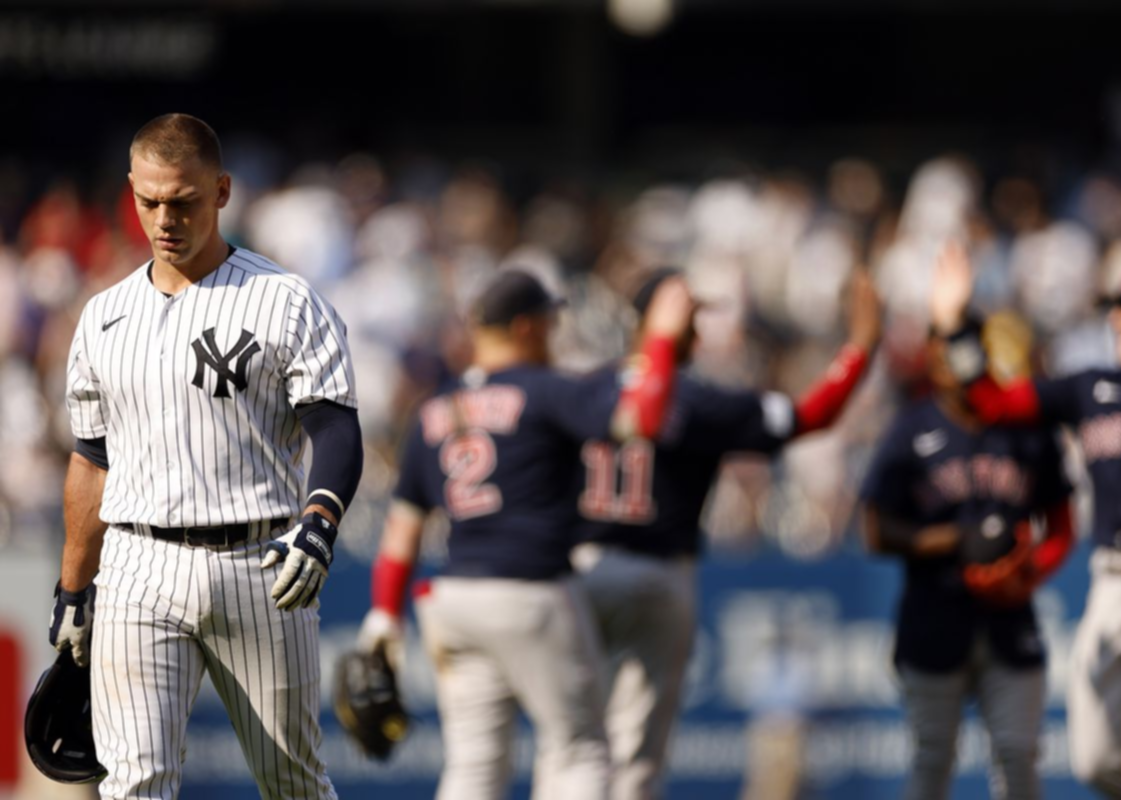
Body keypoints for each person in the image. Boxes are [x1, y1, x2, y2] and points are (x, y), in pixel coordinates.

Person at [48, 113, 362, 800]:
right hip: (137, 566)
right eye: (149, 200)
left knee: (292, 784)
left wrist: (321, 520)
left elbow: (335, 429)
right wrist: (74, 588)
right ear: (131, 190)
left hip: (262, 563)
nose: (164, 218)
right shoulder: (102, 316)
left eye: (183, 200)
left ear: (221, 192)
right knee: (134, 783)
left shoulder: (283, 300)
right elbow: (91, 459)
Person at [357, 269, 696, 800]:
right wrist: (662, 338)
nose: (552, 332)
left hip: (455, 600)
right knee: (580, 748)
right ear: (524, 327)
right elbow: (642, 421)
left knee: (473, 767)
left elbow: (402, 532)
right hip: (531, 589)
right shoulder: (544, 390)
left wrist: (383, 617)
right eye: (548, 321)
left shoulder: (435, 408)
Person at [570, 267, 882, 800]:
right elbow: (811, 416)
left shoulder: (579, 391)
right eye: (692, 319)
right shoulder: (698, 400)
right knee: (636, 759)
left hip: (581, 573)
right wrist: (860, 348)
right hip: (659, 573)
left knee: (575, 750)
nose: (698, 332)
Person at [931, 244, 1121, 800]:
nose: (1116, 320)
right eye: (1116, 307)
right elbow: (991, 403)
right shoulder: (1091, 386)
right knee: (1094, 762)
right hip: (1111, 581)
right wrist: (957, 329)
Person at [859, 315, 1074, 800]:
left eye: (955, 350)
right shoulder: (912, 426)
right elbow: (876, 530)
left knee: (1018, 757)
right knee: (932, 758)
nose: (944, 363)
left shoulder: (1025, 427)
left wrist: (1030, 570)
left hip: (1010, 616)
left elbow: (1061, 523)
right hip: (935, 610)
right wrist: (957, 539)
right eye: (937, 350)